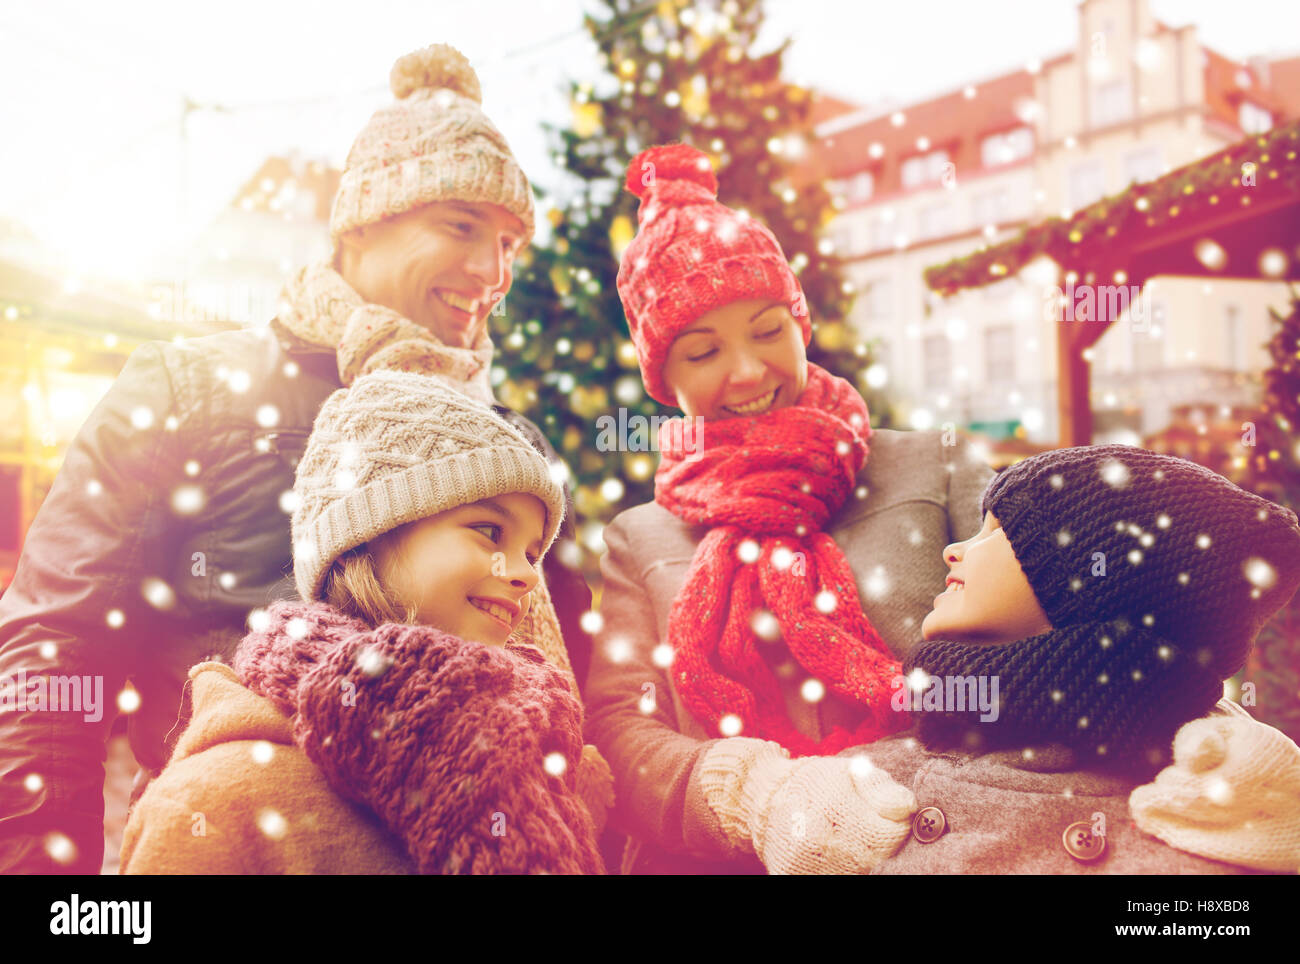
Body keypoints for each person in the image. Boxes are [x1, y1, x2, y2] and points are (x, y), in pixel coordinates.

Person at [0, 43, 603, 875]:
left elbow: (577, 696)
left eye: (508, 242)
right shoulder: (191, 387)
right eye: (460, 226)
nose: (490, 271)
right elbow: (53, 648)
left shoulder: (507, 443)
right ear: (361, 223)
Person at [583, 144, 995, 874]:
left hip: (947, 848)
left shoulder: (933, 465)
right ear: (663, 377)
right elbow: (621, 732)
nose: (746, 371)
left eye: (768, 331)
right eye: (703, 352)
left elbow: (1041, 632)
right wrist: (761, 799)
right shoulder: (637, 539)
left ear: (800, 325)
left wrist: (890, 784)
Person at [120, 373, 604, 874]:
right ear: (369, 535)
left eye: (531, 552)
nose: (526, 574)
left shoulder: (545, 760)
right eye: (489, 531)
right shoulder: (216, 802)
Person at [850, 444, 1300, 873]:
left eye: (997, 532)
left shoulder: (1221, 780)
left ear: (1097, 588)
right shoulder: (934, 726)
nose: (954, 550)